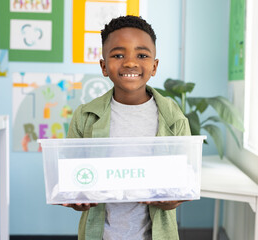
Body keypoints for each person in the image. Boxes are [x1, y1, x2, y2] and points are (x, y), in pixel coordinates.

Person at [63, 15, 191, 240]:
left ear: (154, 66)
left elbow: (186, 180)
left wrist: (173, 201)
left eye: (141, 55)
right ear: (104, 66)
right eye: (118, 55)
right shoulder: (85, 117)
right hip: (100, 234)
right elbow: (73, 180)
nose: (130, 62)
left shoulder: (174, 119)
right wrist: (77, 200)